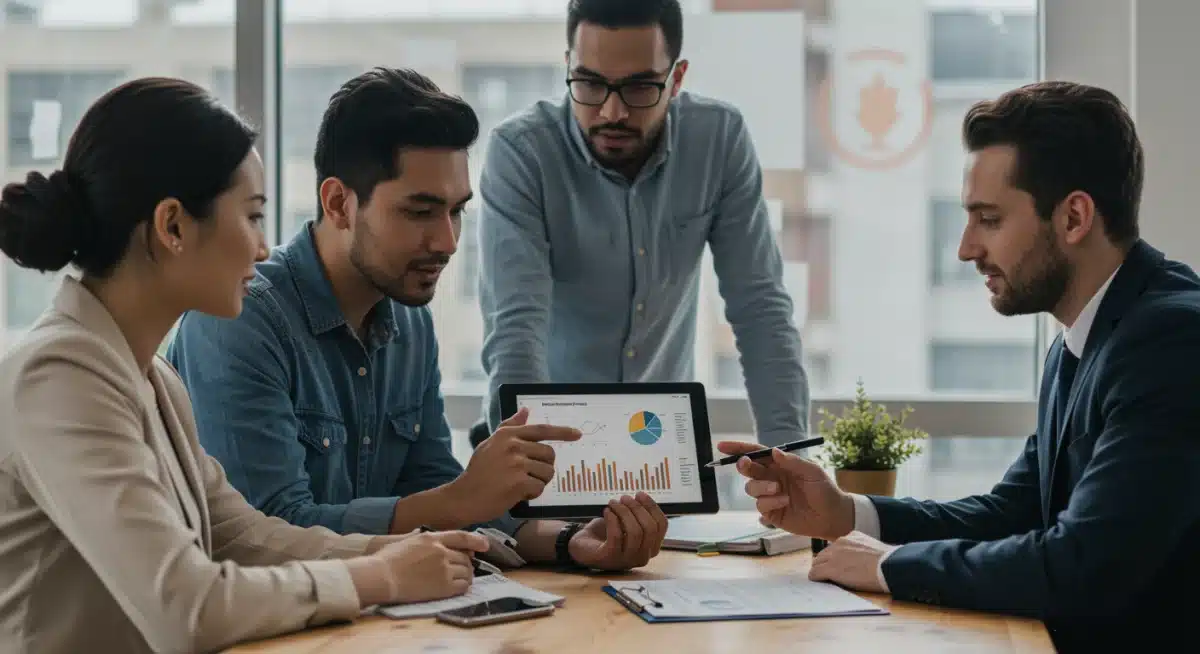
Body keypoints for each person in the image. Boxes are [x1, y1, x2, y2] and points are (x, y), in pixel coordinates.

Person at [0, 77, 491, 654]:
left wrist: (394, 554)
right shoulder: (60, 375)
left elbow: (244, 535)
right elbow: (186, 608)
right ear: (174, 226)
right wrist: (379, 577)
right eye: (253, 216)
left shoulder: (153, 380)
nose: (263, 248)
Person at [720, 81, 1200, 651]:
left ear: (1074, 217)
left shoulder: (1172, 340)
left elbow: (1082, 565)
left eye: (989, 219)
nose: (966, 248)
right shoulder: (1084, 339)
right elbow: (1012, 514)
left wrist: (888, 568)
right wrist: (845, 512)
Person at [167, 67, 668, 573]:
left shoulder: (409, 322)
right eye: (420, 212)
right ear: (339, 203)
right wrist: (457, 501)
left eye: (456, 212)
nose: (448, 242)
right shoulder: (239, 319)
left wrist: (568, 540)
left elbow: (431, 485)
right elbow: (269, 533)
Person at [474, 0, 809, 445]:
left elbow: (759, 308)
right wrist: (524, 487)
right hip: (548, 437)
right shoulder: (521, 153)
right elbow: (516, 329)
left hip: (657, 439)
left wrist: (787, 455)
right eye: (590, 84)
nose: (612, 113)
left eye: (639, 88)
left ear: (677, 79)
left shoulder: (717, 140)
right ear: (568, 66)